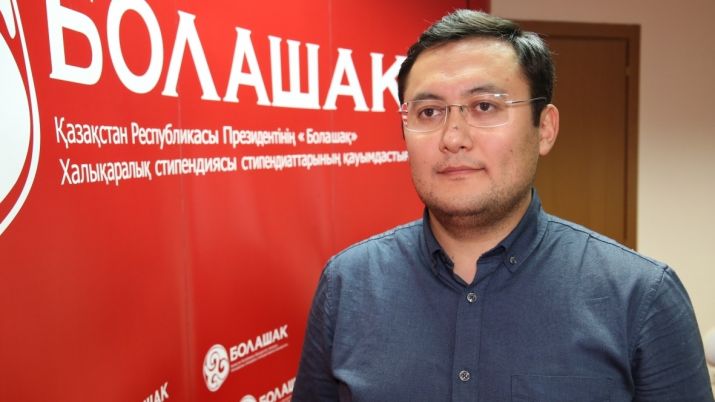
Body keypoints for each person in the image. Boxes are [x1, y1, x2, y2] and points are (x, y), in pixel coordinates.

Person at [292, 9, 714, 402]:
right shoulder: (347, 284)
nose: (453, 138)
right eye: (429, 112)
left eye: (485, 107)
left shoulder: (641, 297)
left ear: (544, 128)